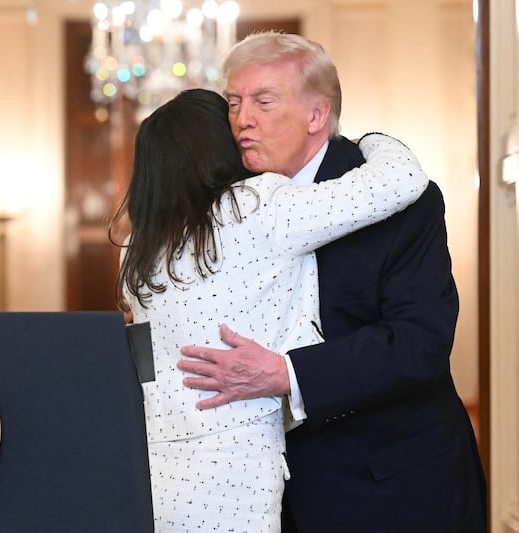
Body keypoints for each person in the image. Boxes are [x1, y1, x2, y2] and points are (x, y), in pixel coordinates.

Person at [178, 31, 487, 532]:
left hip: (394, 491)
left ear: (316, 116)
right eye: (233, 102)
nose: (242, 119)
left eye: (263, 101)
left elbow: (419, 343)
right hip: (268, 498)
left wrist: (288, 375)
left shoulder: (401, 199)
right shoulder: (224, 203)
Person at [111, 87, 429, 531]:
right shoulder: (256, 207)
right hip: (233, 466)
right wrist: (371, 140)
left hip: (151, 462)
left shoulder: (138, 248)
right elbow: (401, 181)